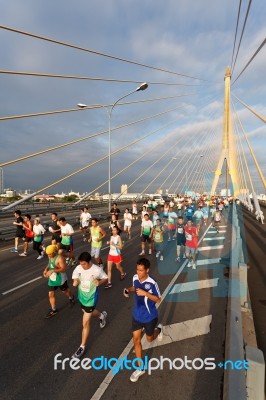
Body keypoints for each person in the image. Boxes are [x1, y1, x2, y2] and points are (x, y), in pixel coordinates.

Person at [123, 258, 163, 382]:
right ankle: (140, 368)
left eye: (141, 270)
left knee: (149, 339)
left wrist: (145, 294)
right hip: (137, 315)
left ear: (147, 270)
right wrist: (127, 290)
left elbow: (158, 299)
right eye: (137, 270)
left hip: (149, 316)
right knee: (136, 340)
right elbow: (134, 288)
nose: (139, 272)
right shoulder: (135, 277)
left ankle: (159, 330)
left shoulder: (152, 282)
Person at [72, 252, 108, 358]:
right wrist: (76, 281)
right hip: (82, 297)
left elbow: (105, 277)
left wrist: (99, 283)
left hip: (91, 299)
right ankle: (102, 316)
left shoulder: (97, 270)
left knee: (85, 323)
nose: (82, 266)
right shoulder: (78, 268)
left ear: (89, 262)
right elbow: (75, 278)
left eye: (84, 264)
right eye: (81, 263)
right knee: (89, 313)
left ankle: (82, 347)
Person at [43, 245, 75, 318]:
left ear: (54, 252)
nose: (48, 255)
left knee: (65, 291)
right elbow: (49, 264)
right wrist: (46, 269)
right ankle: (54, 310)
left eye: (50, 254)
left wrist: (53, 270)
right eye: (47, 254)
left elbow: (63, 269)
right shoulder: (50, 256)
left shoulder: (60, 258)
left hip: (60, 278)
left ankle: (71, 298)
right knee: (51, 294)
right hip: (52, 278)